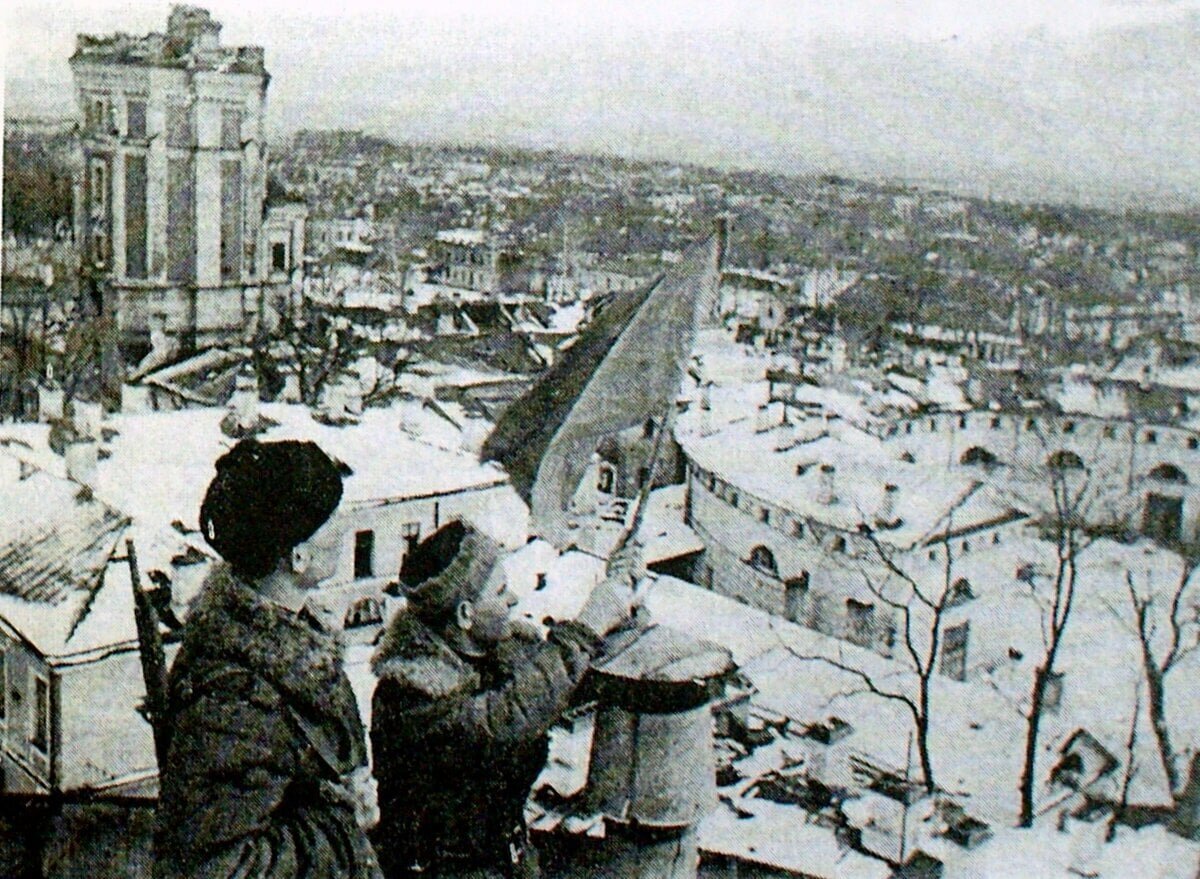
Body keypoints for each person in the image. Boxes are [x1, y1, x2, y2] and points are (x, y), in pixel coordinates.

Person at [155, 439, 380, 879]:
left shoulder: (293, 638)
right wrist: (339, 827)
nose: (344, 523)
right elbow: (216, 866)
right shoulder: (235, 698)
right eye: (330, 517)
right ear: (299, 556)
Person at [370, 520, 635, 878]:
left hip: (506, 860)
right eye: (499, 591)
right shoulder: (411, 695)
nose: (512, 599)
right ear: (465, 614)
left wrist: (617, 591)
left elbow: (561, 685)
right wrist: (587, 627)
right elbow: (506, 715)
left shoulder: (497, 653)